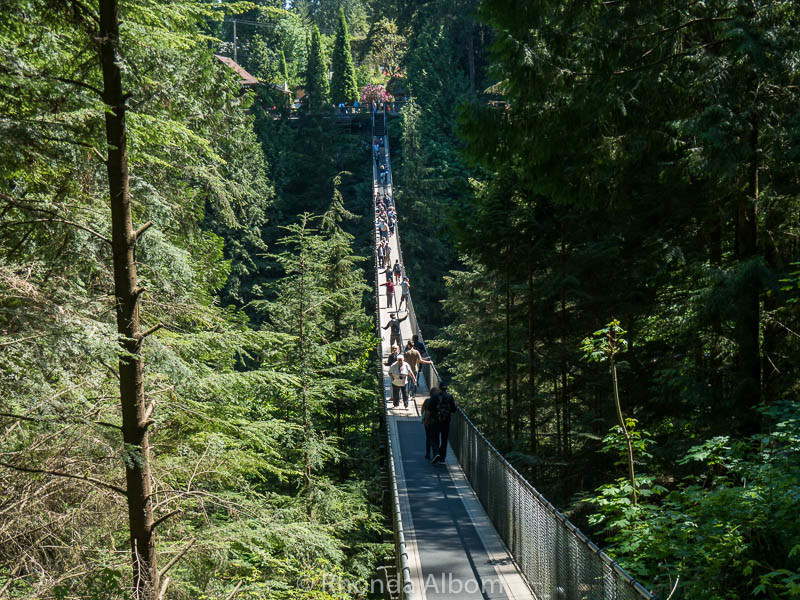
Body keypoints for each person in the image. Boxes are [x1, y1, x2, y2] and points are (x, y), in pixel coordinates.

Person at [429, 383, 457, 463]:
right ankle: (442, 458)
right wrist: (456, 405)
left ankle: (436, 453)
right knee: (444, 439)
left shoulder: (434, 397)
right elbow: (453, 410)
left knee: (434, 438)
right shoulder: (450, 397)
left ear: (439, 388)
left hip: (435, 421)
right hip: (446, 422)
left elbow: (430, 408)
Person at [421, 387, 439, 460]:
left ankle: (428, 454)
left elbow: (424, 411)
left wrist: (425, 420)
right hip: (437, 422)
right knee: (436, 437)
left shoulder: (427, 401)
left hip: (428, 422)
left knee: (428, 437)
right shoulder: (439, 401)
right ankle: (437, 453)